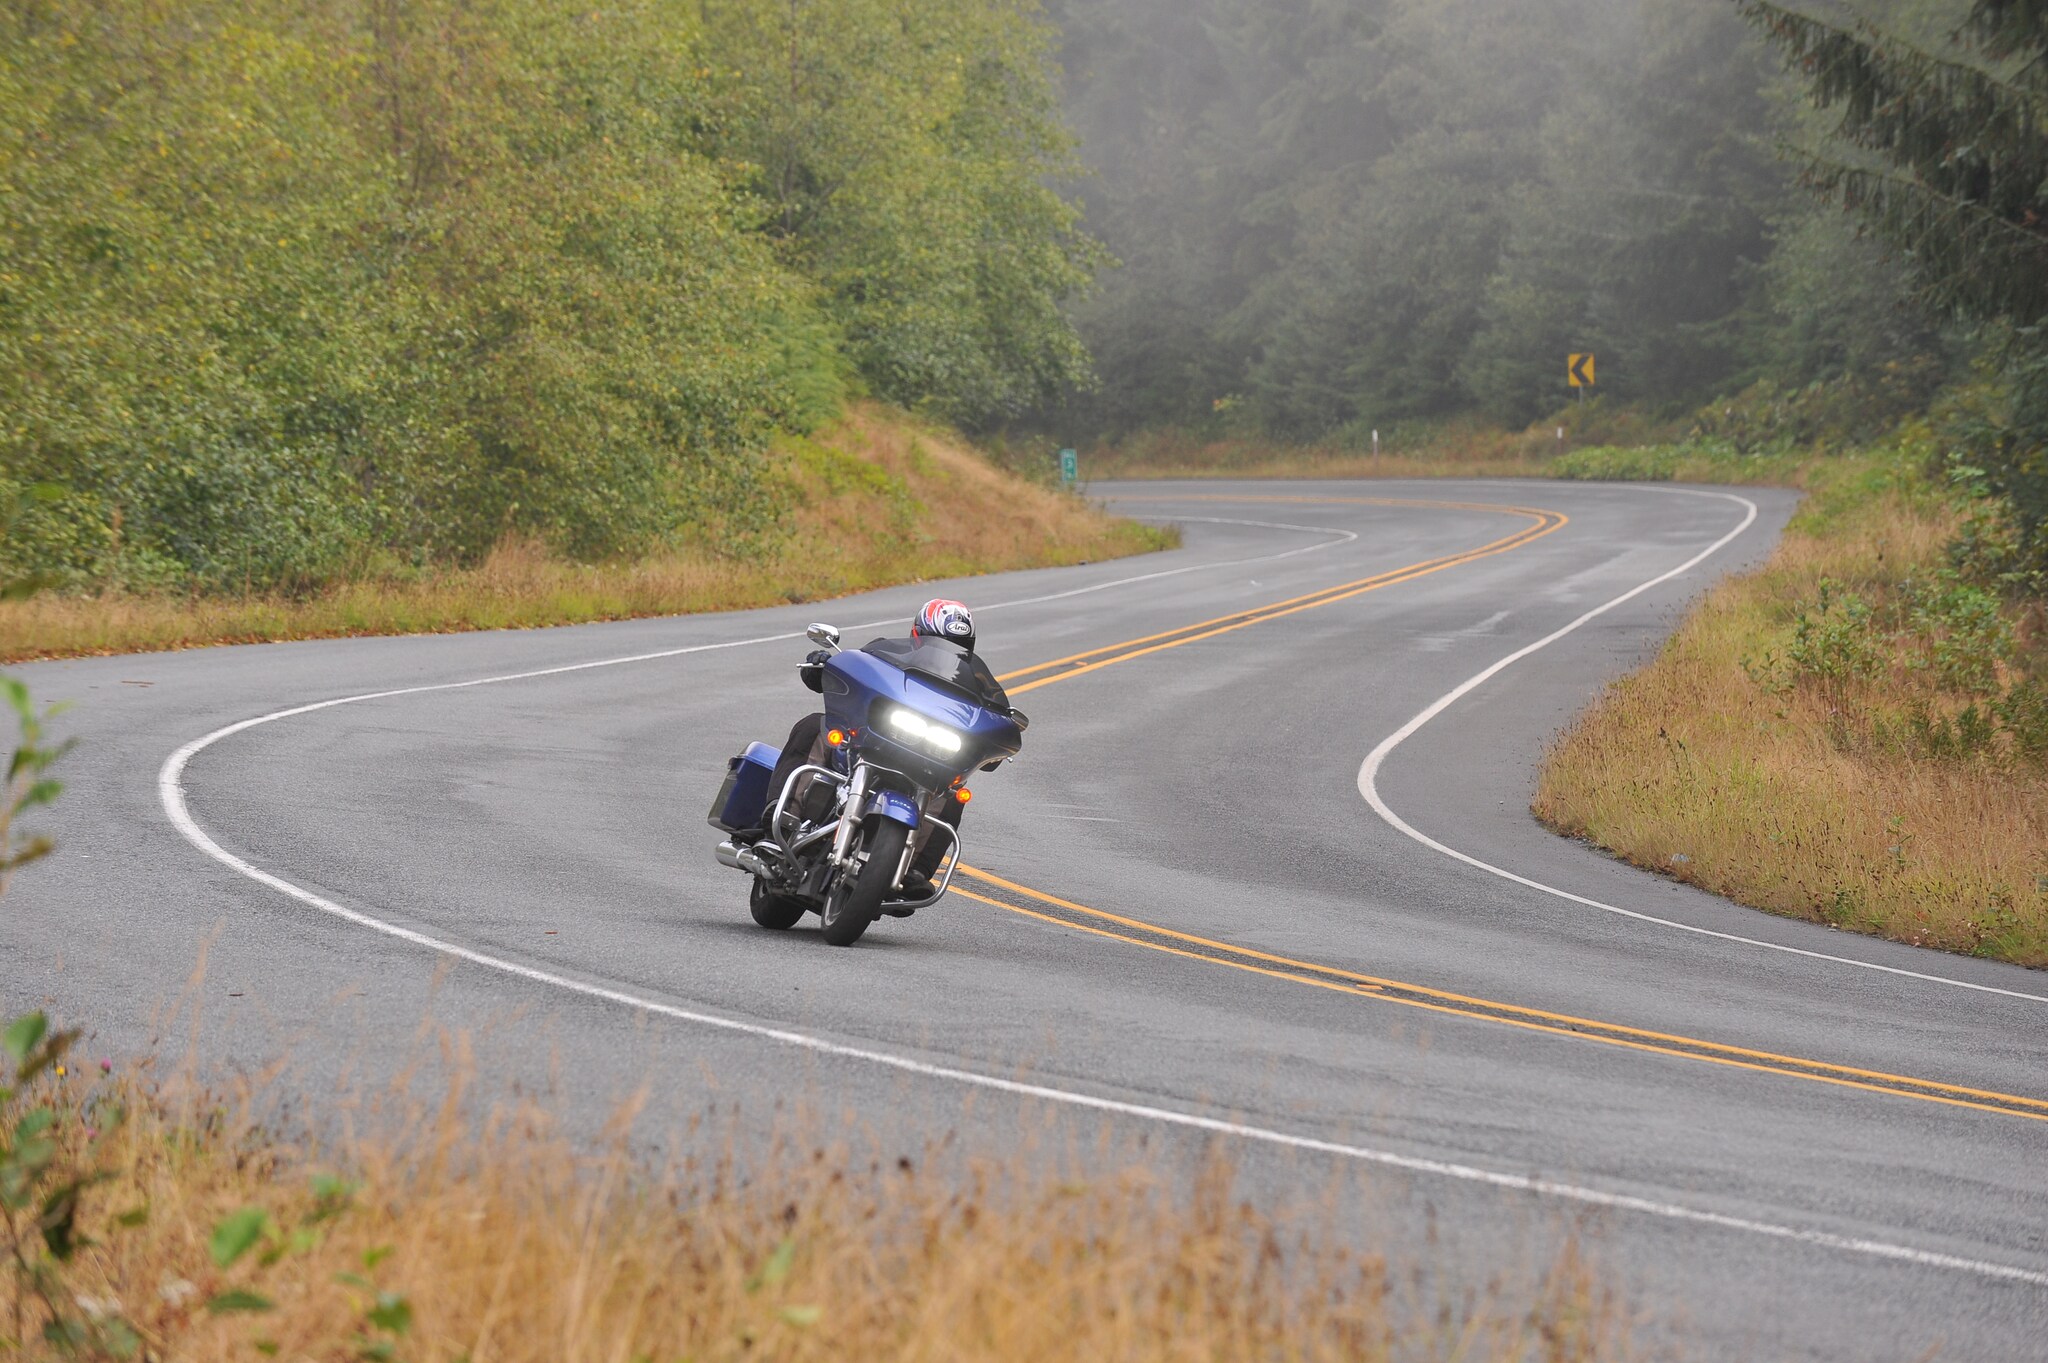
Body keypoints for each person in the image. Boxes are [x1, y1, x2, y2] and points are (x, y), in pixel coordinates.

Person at [749, 599, 1007, 904]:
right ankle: (777, 821)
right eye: (936, 640)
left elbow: (997, 720)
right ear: (916, 633)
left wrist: (999, 736)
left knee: (954, 791)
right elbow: (854, 670)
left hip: (928, 763)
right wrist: (825, 665)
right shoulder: (887, 652)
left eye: (956, 643)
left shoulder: (980, 686)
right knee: (812, 726)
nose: (945, 648)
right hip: (870, 744)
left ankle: (917, 871)